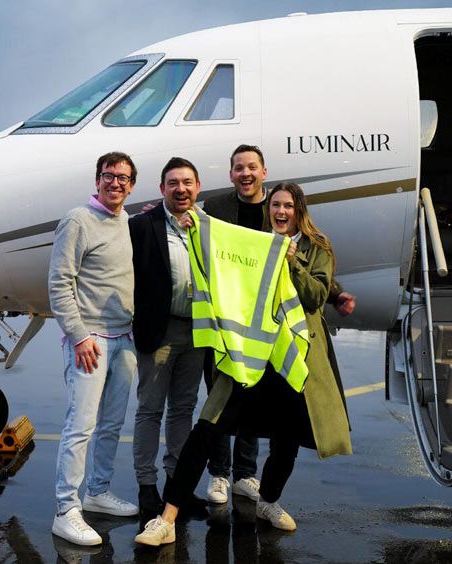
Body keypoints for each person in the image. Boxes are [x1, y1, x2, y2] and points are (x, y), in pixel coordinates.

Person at [135, 181, 352, 547]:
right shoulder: (256, 242)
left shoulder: (317, 248)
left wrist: (292, 260)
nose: (280, 212)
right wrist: (178, 223)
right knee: (206, 429)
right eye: (275, 206)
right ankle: (167, 518)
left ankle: (268, 501)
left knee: (287, 441)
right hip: (249, 355)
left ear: (299, 210)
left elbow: (316, 295)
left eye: (287, 206)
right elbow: (219, 252)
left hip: (293, 357)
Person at [48, 151, 139, 546]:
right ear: (97, 180)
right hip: (92, 341)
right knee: (80, 427)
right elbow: (59, 283)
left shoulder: (128, 223)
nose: (115, 183)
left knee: (112, 425)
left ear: (131, 184)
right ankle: (66, 510)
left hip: (125, 339)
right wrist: (79, 335)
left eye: (123, 178)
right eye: (108, 176)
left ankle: (98, 493)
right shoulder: (77, 220)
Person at [129, 157, 207, 518]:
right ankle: (147, 487)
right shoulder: (142, 225)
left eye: (187, 183)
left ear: (198, 187)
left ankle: (177, 487)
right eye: (173, 183)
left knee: (183, 410)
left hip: (197, 330)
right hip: (159, 331)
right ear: (162, 189)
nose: (181, 189)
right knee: (149, 409)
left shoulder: (208, 228)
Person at [200, 144, 269, 504]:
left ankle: (245, 474)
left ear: (263, 173)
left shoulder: (278, 210)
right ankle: (218, 475)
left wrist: (335, 293)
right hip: (223, 318)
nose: (246, 173)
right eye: (239, 168)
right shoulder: (215, 208)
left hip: (261, 321)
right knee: (219, 398)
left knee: (250, 399)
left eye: (252, 167)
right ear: (231, 175)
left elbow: (303, 248)